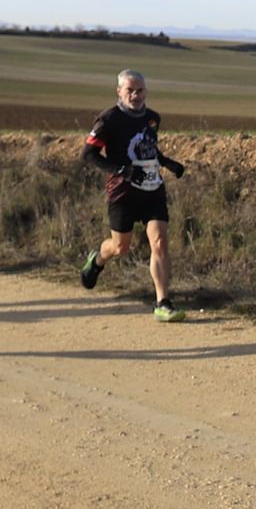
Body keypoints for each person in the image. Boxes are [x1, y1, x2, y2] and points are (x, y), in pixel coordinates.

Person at [78, 68, 187, 321]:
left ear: (146, 92)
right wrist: (123, 172)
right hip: (122, 193)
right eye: (130, 90)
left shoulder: (152, 118)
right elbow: (88, 155)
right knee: (120, 248)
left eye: (140, 90)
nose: (135, 95)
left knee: (159, 242)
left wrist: (168, 163)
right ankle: (97, 261)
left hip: (152, 190)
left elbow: (148, 148)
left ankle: (162, 303)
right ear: (119, 91)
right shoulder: (108, 119)